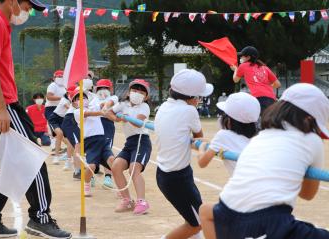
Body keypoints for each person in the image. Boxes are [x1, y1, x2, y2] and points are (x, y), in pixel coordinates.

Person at [0, 0, 71, 238]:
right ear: (14, 1)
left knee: (5, 167)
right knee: (31, 160)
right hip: (1, 105)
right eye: (28, 5)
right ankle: (40, 218)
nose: (29, 11)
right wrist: (2, 109)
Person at [200, 83, 329, 239]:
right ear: (309, 119)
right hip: (270, 222)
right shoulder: (312, 140)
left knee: (206, 210)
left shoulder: (261, 136)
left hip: (227, 212)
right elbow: (307, 194)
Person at [154, 69, 214, 239]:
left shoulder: (164, 107)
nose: (199, 100)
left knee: (197, 213)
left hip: (168, 174)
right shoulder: (189, 111)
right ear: (192, 97)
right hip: (177, 179)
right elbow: (199, 137)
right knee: (198, 224)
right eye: (198, 97)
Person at [107, 79, 152, 215]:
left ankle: (142, 201)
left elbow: (138, 123)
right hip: (129, 142)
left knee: (134, 169)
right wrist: (117, 118)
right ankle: (127, 201)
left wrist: (127, 118)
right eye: (134, 90)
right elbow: (109, 112)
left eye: (140, 91)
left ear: (146, 96)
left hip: (141, 141)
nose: (136, 93)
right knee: (115, 166)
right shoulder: (123, 105)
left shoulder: (144, 107)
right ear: (128, 92)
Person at [197, 92, 260, 175]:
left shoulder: (223, 135)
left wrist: (201, 147)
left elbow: (202, 163)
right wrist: (208, 141)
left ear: (230, 119)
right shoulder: (259, 137)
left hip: (242, 185)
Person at [73, 92, 115, 197]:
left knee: (113, 161)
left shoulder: (94, 106)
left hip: (102, 139)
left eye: (84, 97)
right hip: (90, 142)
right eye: (78, 98)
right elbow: (89, 114)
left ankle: (120, 189)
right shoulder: (77, 112)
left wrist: (106, 104)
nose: (82, 100)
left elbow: (111, 100)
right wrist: (102, 112)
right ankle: (86, 184)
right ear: (74, 102)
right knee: (91, 166)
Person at [231, 46, 281, 114]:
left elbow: (235, 80)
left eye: (242, 56)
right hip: (271, 97)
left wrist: (236, 69)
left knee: (260, 120)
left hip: (258, 97)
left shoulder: (243, 66)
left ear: (248, 57)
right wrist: (265, 88)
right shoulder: (264, 67)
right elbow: (278, 84)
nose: (241, 58)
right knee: (268, 119)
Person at [92, 79, 119, 189]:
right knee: (93, 151)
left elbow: (109, 104)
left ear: (111, 89)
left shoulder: (114, 98)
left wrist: (104, 106)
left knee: (107, 150)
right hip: (94, 125)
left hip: (107, 125)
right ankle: (90, 177)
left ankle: (108, 177)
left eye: (106, 88)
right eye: (100, 88)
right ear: (96, 89)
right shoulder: (92, 99)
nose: (103, 90)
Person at [45, 70, 67, 154]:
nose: (60, 78)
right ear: (54, 78)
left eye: (62, 77)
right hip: (51, 108)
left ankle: (62, 147)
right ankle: (66, 145)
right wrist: (61, 98)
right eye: (59, 77)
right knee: (56, 130)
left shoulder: (64, 87)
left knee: (62, 130)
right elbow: (49, 96)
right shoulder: (53, 85)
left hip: (61, 109)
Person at [48, 92, 71, 164]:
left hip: (64, 120)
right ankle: (56, 157)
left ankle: (68, 154)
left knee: (70, 141)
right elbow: (68, 107)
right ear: (67, 93)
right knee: (60, 134)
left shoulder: (73, 101)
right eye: (70, 93)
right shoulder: (64, 100)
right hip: (54, 119)